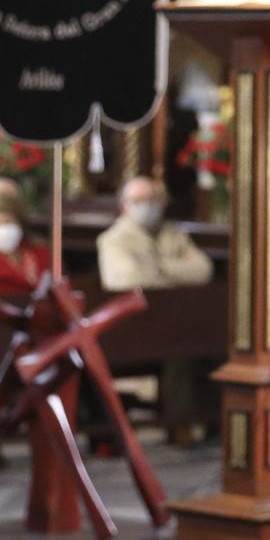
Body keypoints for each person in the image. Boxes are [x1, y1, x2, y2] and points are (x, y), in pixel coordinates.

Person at [98, 176, 214, 442]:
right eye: (139, 201)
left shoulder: (174, 234)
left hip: (174, 323)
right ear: (124, 205)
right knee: (181, 347)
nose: (147, 207)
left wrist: (159, 267)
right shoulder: (114, 239)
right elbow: (129, 280)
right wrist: (174, 275)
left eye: (152, 200)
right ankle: (180, 422)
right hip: (133, 327)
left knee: (204, 344)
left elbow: (202, 270)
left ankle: (205, 420)